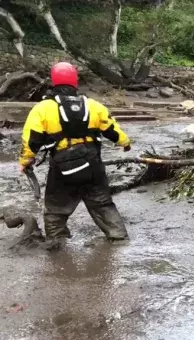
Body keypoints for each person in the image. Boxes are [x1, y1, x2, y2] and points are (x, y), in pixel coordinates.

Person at [19, 62, 131, 245]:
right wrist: (125, 143)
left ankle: (57, 242)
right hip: (92, 164)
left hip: (63, 167)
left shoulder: (42, 108)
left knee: (56, 208)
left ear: (54, 82)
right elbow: (112, 130)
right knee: (102, 202)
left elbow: (31, 139)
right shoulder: (94, 106)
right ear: (75, 83)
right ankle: (118, 237)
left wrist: (25, 161)